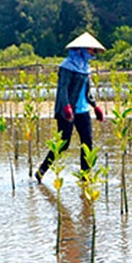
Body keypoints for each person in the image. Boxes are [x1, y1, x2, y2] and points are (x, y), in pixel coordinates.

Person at [35, 31, 106, 183]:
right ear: (81, 49)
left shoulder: (85, 68)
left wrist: (95, 106)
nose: (93, 53)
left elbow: (87, 91)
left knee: (87, 143)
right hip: (67, 110)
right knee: (63, 144)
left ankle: (85, 177)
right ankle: (42, 170)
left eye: (94, 50)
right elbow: (62, 89)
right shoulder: (66, 66)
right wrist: (66, 107)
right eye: (91, 50)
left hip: (83, 110)